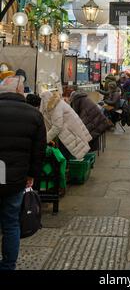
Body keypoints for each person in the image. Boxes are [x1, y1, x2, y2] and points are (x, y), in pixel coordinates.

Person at [0, 76, 46, 270]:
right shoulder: (34, 115)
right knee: (11, 223)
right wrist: (32, 176)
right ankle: (9, 265)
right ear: (21, 91)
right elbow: (39, 151)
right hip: (16, 179)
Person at [40, 90, 92, 160]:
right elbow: (48, 121)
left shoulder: (56, 107)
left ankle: (68, 168)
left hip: (70, 130)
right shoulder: (55, 104)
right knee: (73, 150)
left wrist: (45, 139)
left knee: (71, 151)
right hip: (71, 128)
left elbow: (57, 127)